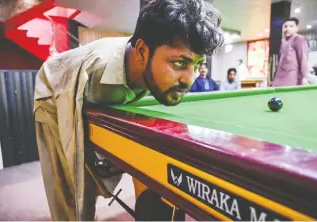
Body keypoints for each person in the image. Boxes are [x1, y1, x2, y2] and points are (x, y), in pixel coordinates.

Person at [33, 0, 224, 220]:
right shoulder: (95, 78)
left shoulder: (149, 62)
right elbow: (73, 154)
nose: (189, 79)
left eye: (198, 64)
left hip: (105, 84)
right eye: (180, 63)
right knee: (74, 191)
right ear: (142, 51)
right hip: (54, 89)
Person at [272, 17, 309, 87]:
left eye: (291, 26)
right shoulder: (283, 41)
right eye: (285, 26)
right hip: (279, 76)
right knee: (275, 96)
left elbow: (303, 59)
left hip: (292, 76)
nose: (287, 29)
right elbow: (280, 60)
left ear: (296, 28)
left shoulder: (299, 39)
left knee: (288, 96)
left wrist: (304, 77)